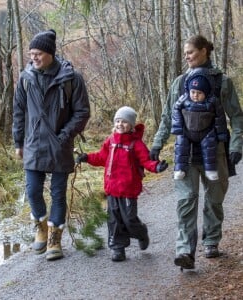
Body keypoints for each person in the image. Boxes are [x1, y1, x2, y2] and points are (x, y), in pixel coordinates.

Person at [150, 35, 243, 269]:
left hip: (217, 152)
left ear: (204, 51)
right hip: (186, 153)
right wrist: (157, 144)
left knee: (214, 200)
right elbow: (167, 117)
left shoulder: (223, 82)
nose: (186, 56)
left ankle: (211, 241)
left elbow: (237, 117)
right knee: (186, 200)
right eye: (185, 52)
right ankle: (185, 250)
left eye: (190, 52)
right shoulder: (180, 83)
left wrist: (236, 146)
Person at [12, 29, 90, 261]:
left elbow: (82, 112)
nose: (33, 58)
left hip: (60, 145)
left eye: (37, 53)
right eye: (31, 53)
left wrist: (64, 136)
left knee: (58, 194)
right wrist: (18, 142)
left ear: (50, 54)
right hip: (33, 144)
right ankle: (41, 227)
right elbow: (18, 112)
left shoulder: (71, 79)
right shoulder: (26, 78)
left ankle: (55, 239)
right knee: (33, 190)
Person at [76, 106, 168, 262]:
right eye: (118, 121)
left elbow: (146, 161)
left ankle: (141, 232)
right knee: (114, 219)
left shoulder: (135, 144)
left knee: (129, 219)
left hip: (128, 189)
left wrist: (157, 166)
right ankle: (118, 248)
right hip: (112, 188)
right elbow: (101, 157)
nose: (120, 124)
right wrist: (87, 158)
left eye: (124, 122)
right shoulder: (110, 141)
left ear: (131, 125)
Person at [171, 69, 228, 181]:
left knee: (210, 147)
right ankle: (179, 169)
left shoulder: (213, 101)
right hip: (187, 131)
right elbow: (175, 110)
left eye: (199, 93)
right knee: (181, 146)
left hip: (206, 131)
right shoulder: (184, 99)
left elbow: (220, 118)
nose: (195, 96)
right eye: (193, 92)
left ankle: (210, 170)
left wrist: (221, 134)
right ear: (189, 91)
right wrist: (177, 127)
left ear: (206, 93)